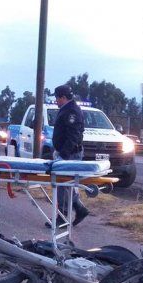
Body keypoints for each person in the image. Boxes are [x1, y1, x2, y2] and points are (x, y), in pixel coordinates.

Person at [48, 84, 90, 228]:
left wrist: (63, 155)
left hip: (70, 154)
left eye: (57, 98)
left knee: (63, 186)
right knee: (67, 185)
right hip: (67, 152)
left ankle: (62, 218)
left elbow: (73, 136)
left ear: (63, 97)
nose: (56, 101)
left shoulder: (72, 111)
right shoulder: (68, 109)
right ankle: (79, 209)